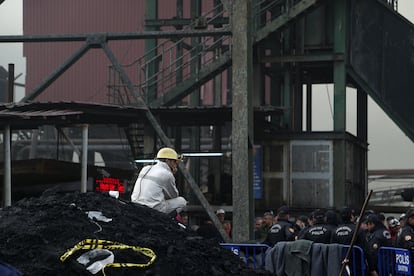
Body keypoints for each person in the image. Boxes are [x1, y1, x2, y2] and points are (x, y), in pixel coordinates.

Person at [131, 147, 187, 215]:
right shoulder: (167, 174)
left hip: (135, 205)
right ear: (168, 161)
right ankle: (166, 220)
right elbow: (173, 196)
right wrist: (172, 174)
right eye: (174, 162)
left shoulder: (145, 168)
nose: (175, 165)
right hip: (152, 208)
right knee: (182, 201)